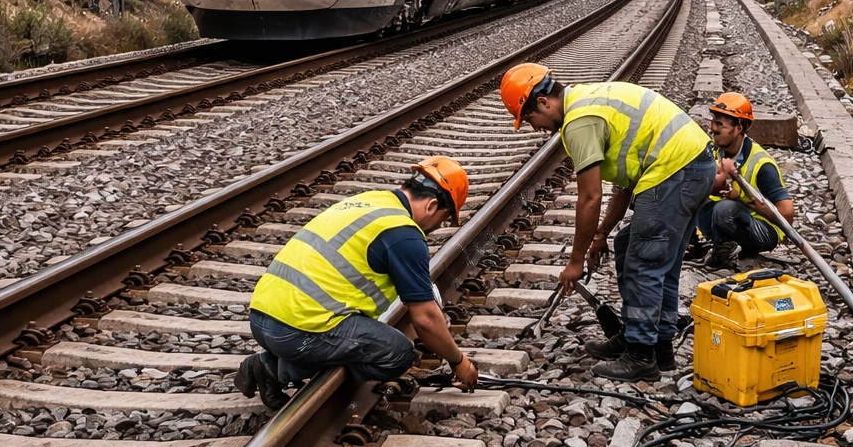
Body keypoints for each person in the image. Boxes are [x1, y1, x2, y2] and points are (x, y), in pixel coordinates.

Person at [500, 64, 717, 382]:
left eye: (530, 118)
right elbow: (623, 185)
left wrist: (575, 262)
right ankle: (658, 346)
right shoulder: (589, 100)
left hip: (677, 170)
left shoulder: (578, 122)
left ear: (544, 103)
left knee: (644, 260)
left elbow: (590, 198)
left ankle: (641, 355)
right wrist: (601, 234)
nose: (535, 127)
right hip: (692, 166)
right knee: (641, 250)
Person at [235, 157, 480, 410]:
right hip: (295, 331)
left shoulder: (371, 201)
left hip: (260, 316)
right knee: (397, 354)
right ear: (431, 206)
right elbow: (425, 318)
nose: (438, 227)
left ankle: (275, 363)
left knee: (362, 338)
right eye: (444, 219)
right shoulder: (404, 234)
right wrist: (458, 362)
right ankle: (275, 369)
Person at [698, 92, 793, 266]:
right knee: (692, 194)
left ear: (740, 127)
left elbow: (787, 213)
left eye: (720, 124)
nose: (713, 128)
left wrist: (745, 198)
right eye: (713, 121)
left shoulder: (762, 164)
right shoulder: (714, 151)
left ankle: (724, 255)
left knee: (724, 209)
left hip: (763, 230)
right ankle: (704, 243)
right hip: (734, 221)